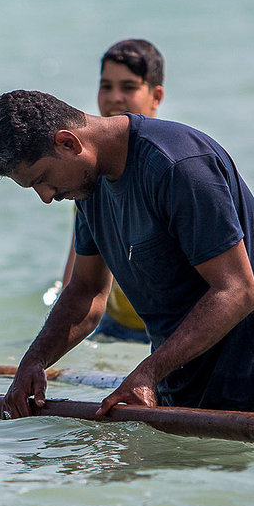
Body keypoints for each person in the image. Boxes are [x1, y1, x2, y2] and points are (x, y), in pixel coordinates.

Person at [0, 90, 254, 419]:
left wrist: (147, 373)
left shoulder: (178, 166)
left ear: (68, 143)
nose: (45, 196)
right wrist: (34, 362)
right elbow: (87, 292)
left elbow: (237, 291)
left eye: (42, 179)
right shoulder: (87, 187)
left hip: (251, 382)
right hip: (173, 379)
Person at [57, 39, 164, 344]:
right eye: (106, 86)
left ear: (156, 96)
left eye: (128, 87)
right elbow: (77, 267)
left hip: (164, 328)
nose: (115, 98)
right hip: (112, 325)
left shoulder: (169, 169)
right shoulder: (90, 171)